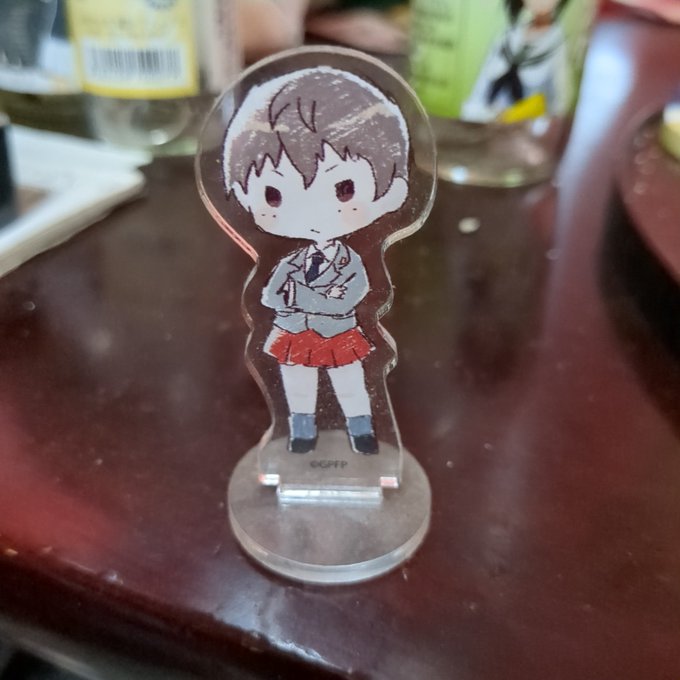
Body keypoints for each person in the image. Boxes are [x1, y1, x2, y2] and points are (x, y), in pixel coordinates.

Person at [222, 67, 410, 454]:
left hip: (338, 332)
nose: (311, 212)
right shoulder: (291, 263)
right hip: (293, 332)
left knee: (350, 382)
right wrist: (308, 298)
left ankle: (362, 432)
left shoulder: (350, 262)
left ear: (391, 191)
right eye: (273, 194)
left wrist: (300, 297)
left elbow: (348, 298)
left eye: (344, 188)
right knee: (297, 386)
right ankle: (301, 433)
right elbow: (271, 296)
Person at [461, 0, 573, 123]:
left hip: (527, 129)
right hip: (486, 123)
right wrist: (479, 114)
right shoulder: (506, 37)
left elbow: (560, 105)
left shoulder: (560, 46)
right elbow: (479, 90)